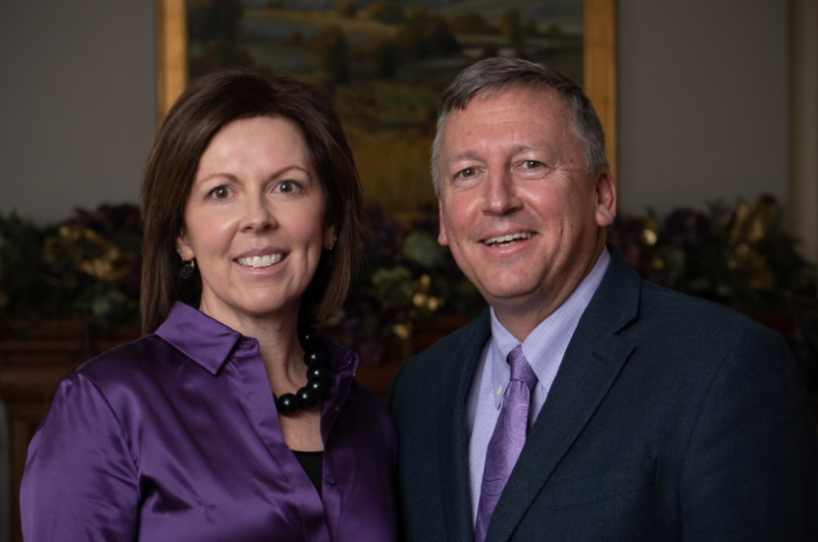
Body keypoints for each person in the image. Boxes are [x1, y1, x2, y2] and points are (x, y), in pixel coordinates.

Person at [387, 57, 818, 542]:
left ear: (602, 196)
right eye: (467, 172)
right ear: (444, 219)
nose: (498, 200)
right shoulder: (419, 390)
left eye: (530, 164)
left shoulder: (724, 366)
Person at [21, 69, 397, 542]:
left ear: (330, 223)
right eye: (222, 192)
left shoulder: (370, 420)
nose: (257, 218)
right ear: (182, 236)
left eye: (287, 187)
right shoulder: (106, 405)